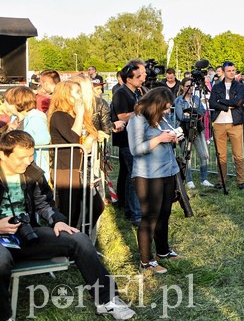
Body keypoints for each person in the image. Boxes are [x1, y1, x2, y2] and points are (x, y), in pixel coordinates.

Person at [0, 131, 135, 321]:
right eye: (22, 157)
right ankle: (3, 318)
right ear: (3, 154)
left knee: (79, 239)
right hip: (1, 241)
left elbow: (44, 203)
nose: (28, 161)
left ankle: (107, 300)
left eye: (31, 155)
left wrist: (57, 220)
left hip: (28, 234)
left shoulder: (32, 172)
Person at [127, 88, 181, 274]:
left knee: (164, 214)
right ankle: (146, 260)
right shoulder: (137, 119)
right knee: (150, 217)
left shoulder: (159, 119)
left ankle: (163, 251)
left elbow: (164, 136)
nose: (167, 111)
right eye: (165, 108)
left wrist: (172, 138)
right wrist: (159, 139)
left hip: (167, 171)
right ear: (155, 104)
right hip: (147, 175)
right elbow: (135, 149)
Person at [47, 81, 99, 229]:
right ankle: (66, 241)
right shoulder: (59, 115)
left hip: (78, 167)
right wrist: (80, 114)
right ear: (65, 95)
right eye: (76, 92)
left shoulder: (73, 115)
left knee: (94, 205)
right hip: (65, 168)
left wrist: (90, 137)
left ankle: (81, 235)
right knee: (69, 210)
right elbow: (72, 137)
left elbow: (92, 131)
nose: (80, 96)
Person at [110, 61, 145, 226]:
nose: (141, 79)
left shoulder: (135, 92)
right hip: (126, 140)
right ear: (129, 79)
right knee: (135, 176)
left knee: (131, 175)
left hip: (134, 138)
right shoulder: (121, 93)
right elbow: (122, 116)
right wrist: (141, 111)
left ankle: (130, 208)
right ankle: (135, 214)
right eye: (138, 76)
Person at [209, 61, 244, 190]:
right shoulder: (216, 86)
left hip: (235, 122)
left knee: (238, 154)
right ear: (224, 72)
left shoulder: (240, 86)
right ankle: (221, 181)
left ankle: (241, 181)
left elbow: (237, 102)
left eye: (233, 70)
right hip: (219, 123)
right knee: (221, 154)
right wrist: (226, 106)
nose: (232, 72)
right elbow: (212, 103)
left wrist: (221, 101)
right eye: (229, 70)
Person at [1, 87, 50, 181]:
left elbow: (44, 138)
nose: (4, 104)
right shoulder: (14, 118)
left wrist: (20, 142)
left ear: (16, 102)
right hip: (17, 165)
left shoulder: (36, 116)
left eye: (6, 101)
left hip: (33, 163)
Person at [174, 79, 212, 189]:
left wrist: (190, 112)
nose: (190, 88)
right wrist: (193, 113)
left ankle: (204, 179)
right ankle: (189, 180)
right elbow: (181, 116)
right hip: (184, 129)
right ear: (182, 87)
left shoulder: (195, 98)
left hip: (197, 128)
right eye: (187, 86)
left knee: (204, 154)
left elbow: (203, 111)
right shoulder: (179, 100)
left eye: (192, 86)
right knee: (187, 155)